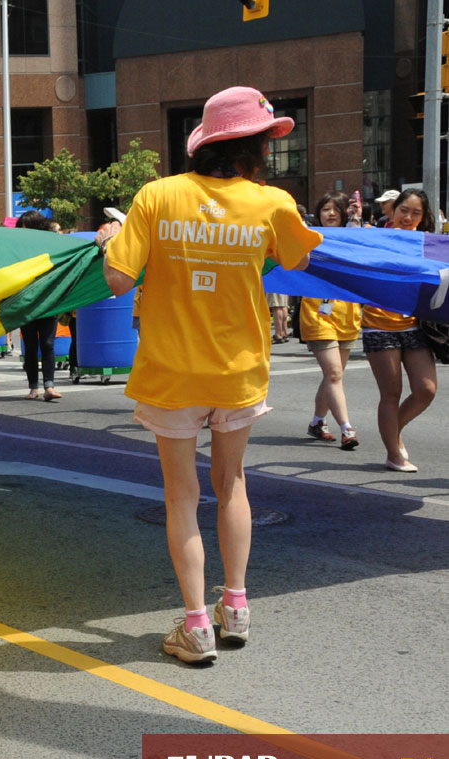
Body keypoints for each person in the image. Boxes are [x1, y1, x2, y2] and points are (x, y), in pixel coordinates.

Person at [94, 86, 321, 665]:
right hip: (238, 369)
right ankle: (237, 607)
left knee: (181, 496)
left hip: (172, 372)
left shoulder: (158, 195)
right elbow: (300, 259)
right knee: (233, 484)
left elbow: (118, 281)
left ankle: (196, 625)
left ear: (205, 143)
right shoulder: (271, 204)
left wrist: (108, 242)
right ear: (255, 148)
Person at [362, 188, 438, 472]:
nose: (408, 217)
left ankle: (394, 428)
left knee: (426, 389)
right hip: (378, 325)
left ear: (423, 217)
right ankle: (394, 454)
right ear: (392, 210)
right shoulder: (374, 238)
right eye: (404, 210)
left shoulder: (428, 243)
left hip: (414, 325)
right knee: (391, 393)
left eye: (416, 213)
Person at [301, 191, 362, 450]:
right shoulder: (309, 238)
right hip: (318, 314)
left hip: (348, 315)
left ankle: (317, 421)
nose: (331, 213)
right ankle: (347, 429)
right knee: (334, 373)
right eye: (326, 208)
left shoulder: (354, 238)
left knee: (332, 375)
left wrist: (357, 224)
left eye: (336, 208)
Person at [14, 210, 62, 401]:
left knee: (48, 343)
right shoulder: (19, 248)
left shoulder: (48, 243)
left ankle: (49, 386)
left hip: (47, 301)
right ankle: (33, 387)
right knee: (31, 345)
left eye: (27, 228)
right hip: (27, 302)